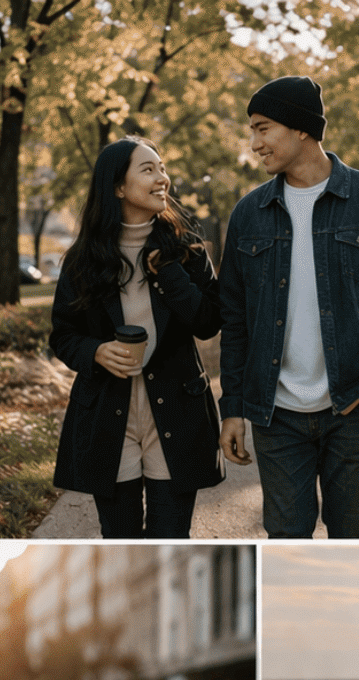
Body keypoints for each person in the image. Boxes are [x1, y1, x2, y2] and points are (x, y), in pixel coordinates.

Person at [217, 75, 359, 538]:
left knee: (351, 538)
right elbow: (234, 320)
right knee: (285, 539)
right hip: (276, 412)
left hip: (353, 404)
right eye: (253, 131)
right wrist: (232, 407)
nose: (254, 143)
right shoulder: (248, 214)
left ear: (300, 129)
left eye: (263, 128)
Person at [49, 136, 224, 537]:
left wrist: (170, 272)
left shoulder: (187, 252)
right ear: (118, 187)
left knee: (170, 541)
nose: (162, 178)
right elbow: (63, 334)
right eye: (148, 169)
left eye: (162, 168)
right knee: (120, 542)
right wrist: (96, 352)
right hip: (108, 418)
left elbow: (208, 322)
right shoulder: (83, 260)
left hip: (177, 413)